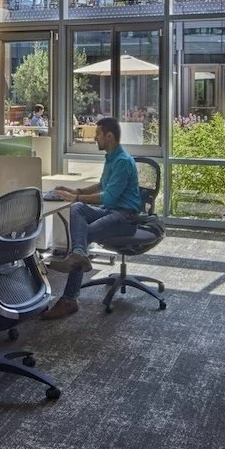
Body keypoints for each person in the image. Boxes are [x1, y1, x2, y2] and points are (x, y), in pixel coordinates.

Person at [41, 117, 142, 320]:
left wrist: (76, 196)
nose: (94, 138)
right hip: (109, 210)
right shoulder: (112, 157)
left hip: (125, 217)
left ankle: (69, 299)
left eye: (97, 134)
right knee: (78, 208)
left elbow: (110, 196)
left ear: (109, 136)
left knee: (83, 234)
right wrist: (75, 191)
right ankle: (78, 254)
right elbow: (102, 186)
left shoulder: (122, 161)